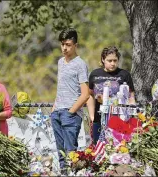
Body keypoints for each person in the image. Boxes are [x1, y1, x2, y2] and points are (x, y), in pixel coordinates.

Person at [50, 28, 90, 173]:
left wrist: (71, 111)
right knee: (60, 155)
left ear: (75, 45)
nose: (64, 48)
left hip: (71, 114)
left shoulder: (80, 64)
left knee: (70, 154)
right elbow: (61, 88)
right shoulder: (60, 62)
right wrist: (54, 109)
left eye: (68, 44)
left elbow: (85, 94)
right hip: (57, 113)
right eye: (62, 44)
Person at [87, 46, 136, 145]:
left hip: (120, 120)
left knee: (119, 148)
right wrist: (92, 116)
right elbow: (90, 95)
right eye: (109, 60)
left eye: (115, 60)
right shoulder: (94, 74)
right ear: (103, 59)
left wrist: (132, 117)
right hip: (99, 120)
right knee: (98, 148)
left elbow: (131, 96)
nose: (113, 63)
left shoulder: (124, 74)